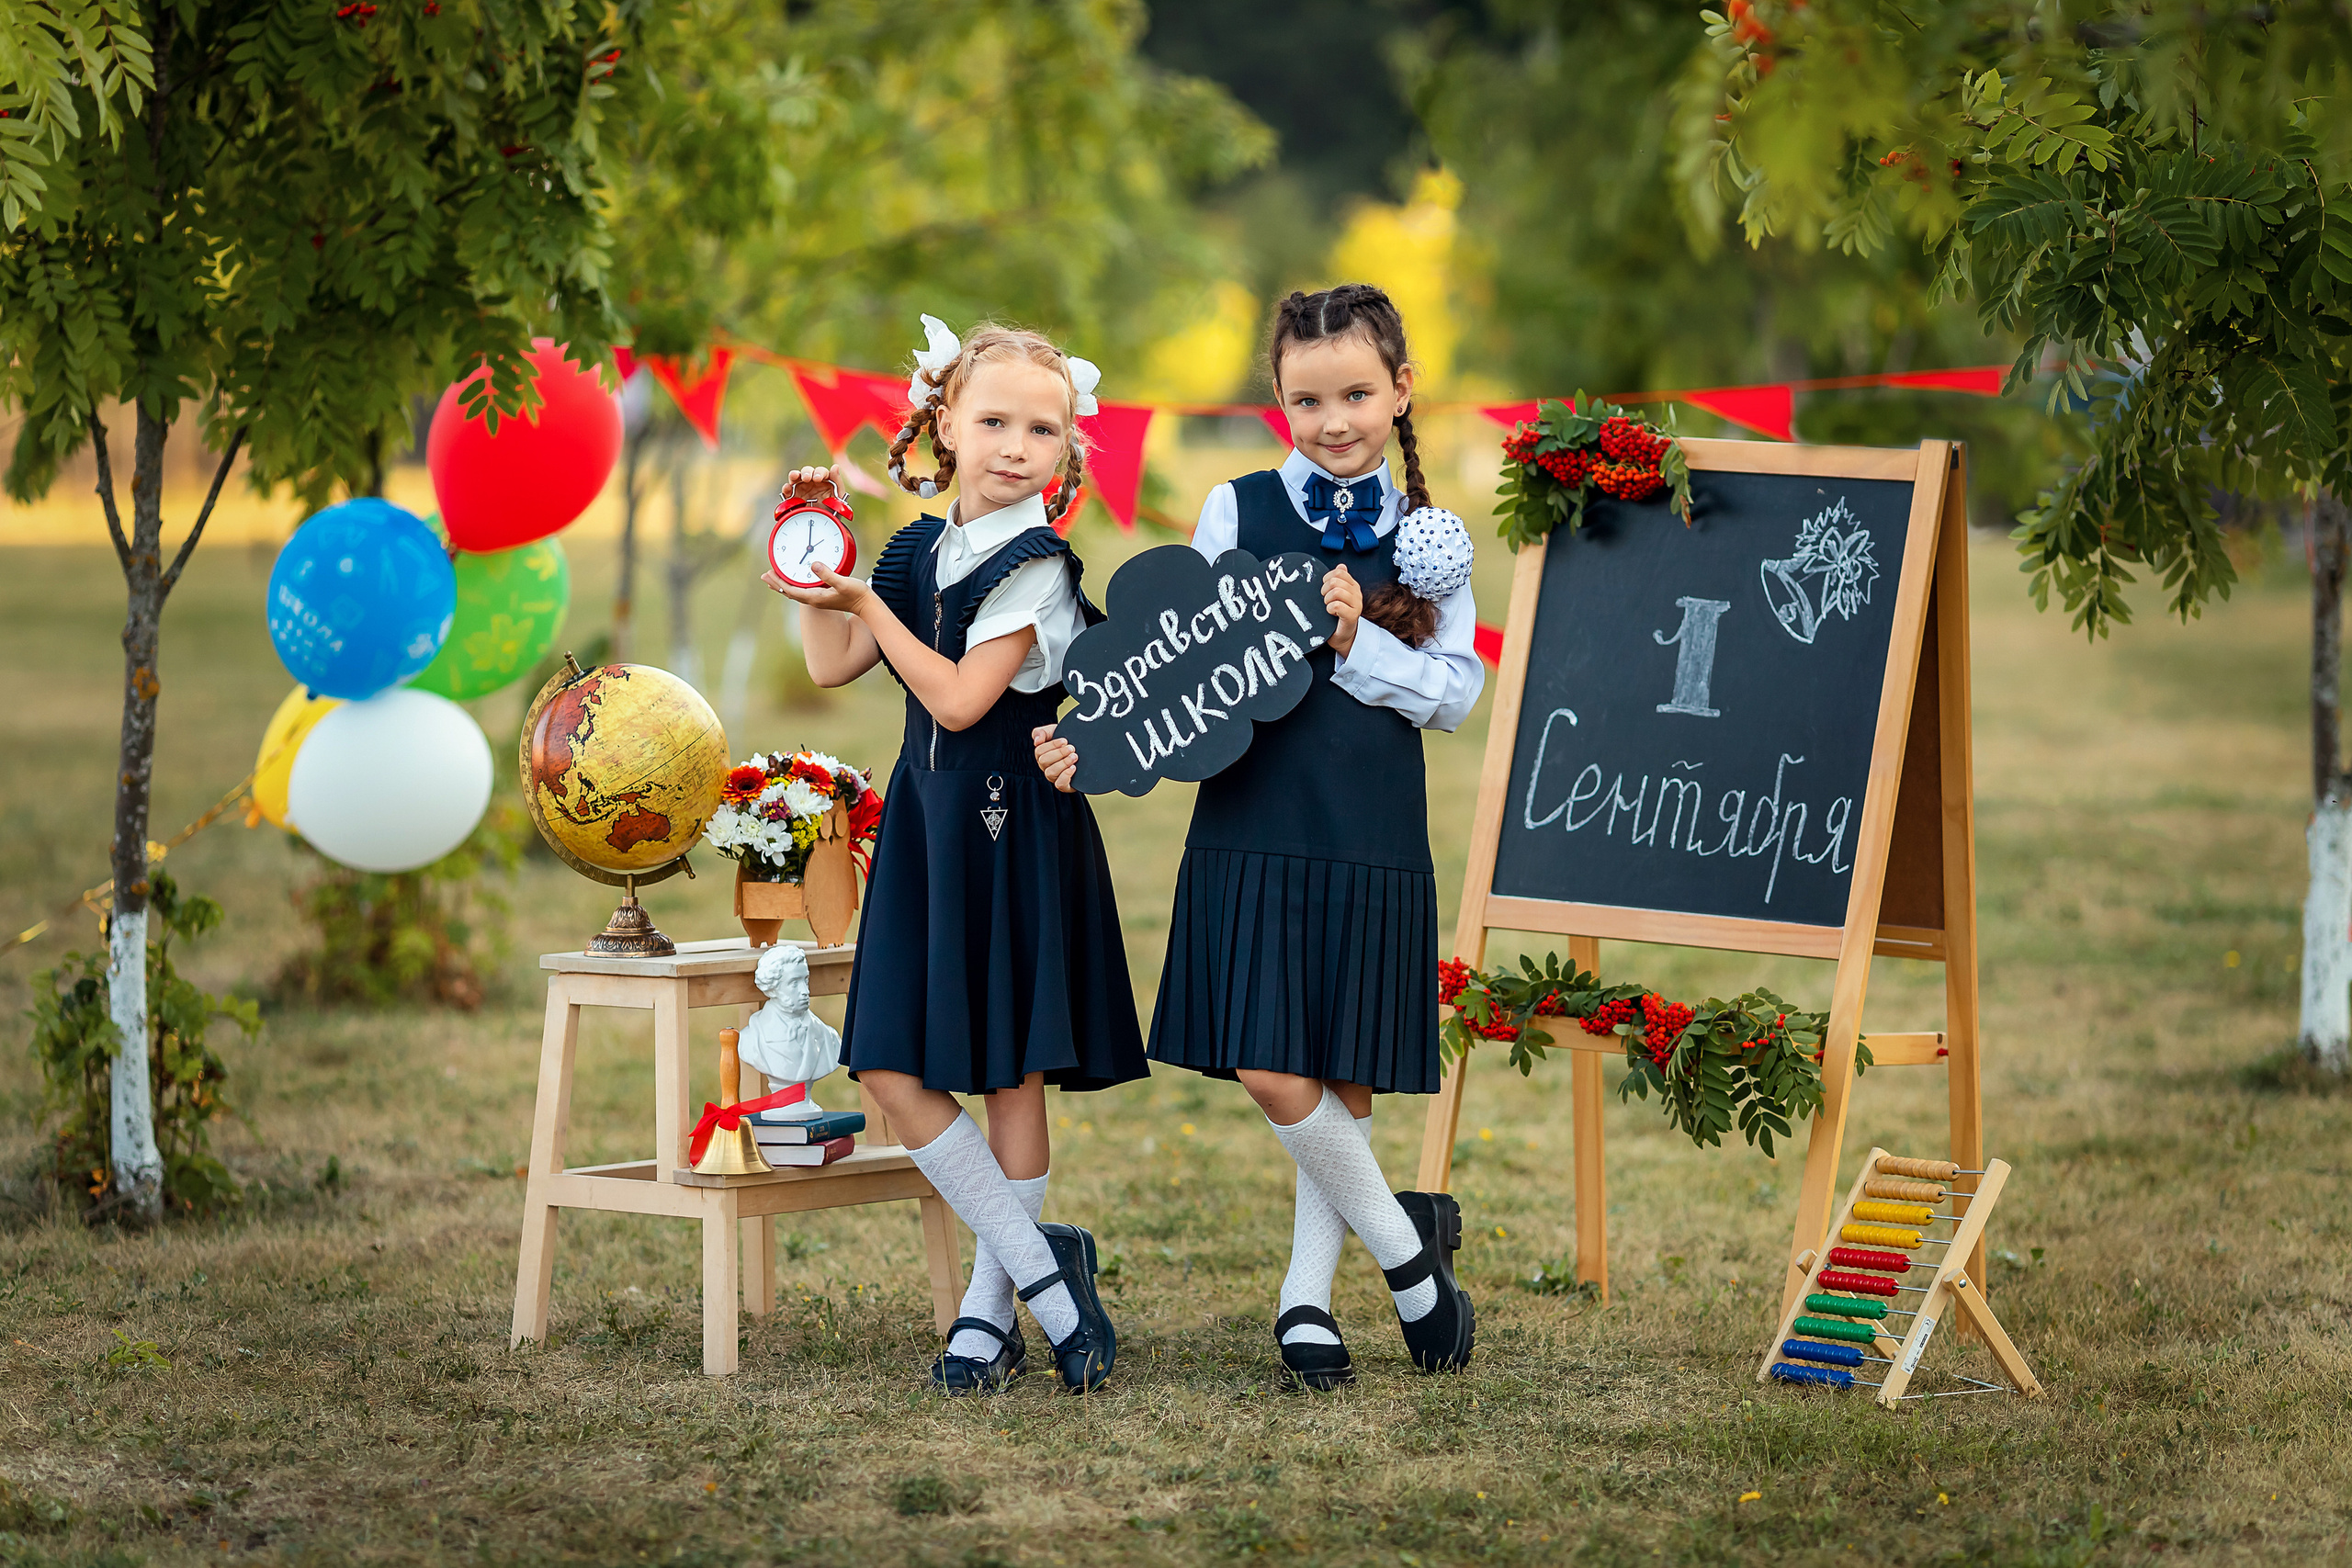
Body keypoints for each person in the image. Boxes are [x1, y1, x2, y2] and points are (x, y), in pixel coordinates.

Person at [1035, 283, 1485, 1389]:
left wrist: (1350, 645)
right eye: (1308, 398)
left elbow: (1455, 696)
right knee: (1267, 1058)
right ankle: (1408, 1260)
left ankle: (1303, 1303)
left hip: (1373, 826)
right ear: (1276, 398)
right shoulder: (1236, 509)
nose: (1334, 420)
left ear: (1400, 390)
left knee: (1344, 1071)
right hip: (1250, 814)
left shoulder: (1431, 539)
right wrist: (1090, 739)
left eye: (1357, 395)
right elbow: (1176, 661)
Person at [768, 315, 1144, 1395]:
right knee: (888, 1062)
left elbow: (960, 694)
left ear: (1069, 450)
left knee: (1007, 1072)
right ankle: (1047, 1272)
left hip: (1010, 829)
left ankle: (990, 1319)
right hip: (926, 834)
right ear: (944, 424)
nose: (1016, 444)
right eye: (993, 421)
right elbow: (838, 659)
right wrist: (815, 565)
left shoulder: (1041, 571)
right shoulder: (912, 550)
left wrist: (870, 609)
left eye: (1044, 427)